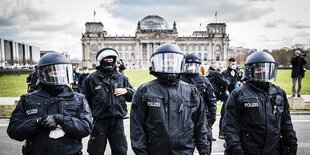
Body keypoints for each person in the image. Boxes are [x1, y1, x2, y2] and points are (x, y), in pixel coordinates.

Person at [130, 43, 210, 155]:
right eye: (166, 60)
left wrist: (204, 150)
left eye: (173, 60)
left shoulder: (192, 91)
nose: (170, 63)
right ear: (157, 63)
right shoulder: (145, 90)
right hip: (155, 151)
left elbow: (200, 125)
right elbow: (137, 127)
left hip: (184, 151)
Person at [7, 52, 93, 155]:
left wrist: (62, 120)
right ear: (43, 73)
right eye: (54, 73)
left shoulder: (78, 99)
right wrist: (37, 122)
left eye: (62, 72)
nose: (59, 76)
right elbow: (14, 131)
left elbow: (86, 128)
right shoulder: (28, 99)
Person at [223, 51, 298, 155]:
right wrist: (236, 149)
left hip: (274, 150)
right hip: (248, 151)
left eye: (266, 68)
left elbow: (286, 123)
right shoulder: (238, 94)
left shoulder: (279, 93)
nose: (263, 72)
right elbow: (230, 125)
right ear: (250, 70)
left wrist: (292, 143)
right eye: (259, 68)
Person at [82, 48, 135, 155]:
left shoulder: (121, 78)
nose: (109, 62)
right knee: (96, 151)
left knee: (120, 151)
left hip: (117, 121)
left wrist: (126, 90)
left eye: (111, 60)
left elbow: (134, 96)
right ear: (101, 60)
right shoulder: (91, 79)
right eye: (106, 59)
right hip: (99, 121)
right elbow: (83, 100)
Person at [180, 53, 217, 153]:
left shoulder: (204, 80)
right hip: (184, 119)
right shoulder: (179, 80)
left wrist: (210, 121)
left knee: (205, 147)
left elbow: (212, 101)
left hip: (203, 119)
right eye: (188, 65)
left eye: (194, 65)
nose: (191, 68)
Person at [207, 61, 229, 139]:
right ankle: (209, 134)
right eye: (217, 65)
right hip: (214, 95)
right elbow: (225, 82)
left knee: (208, 115)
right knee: (212, 115)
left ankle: (208, 134)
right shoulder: (215, 73)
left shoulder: (208, 73)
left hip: (208, 95)